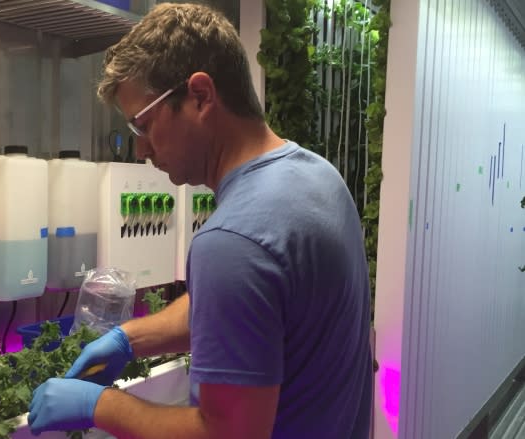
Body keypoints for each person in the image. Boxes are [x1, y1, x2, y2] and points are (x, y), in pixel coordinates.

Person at [28, 3, 373, 438]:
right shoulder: (318, 177)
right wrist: (129, 340)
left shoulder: (232, 242)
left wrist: (102, 406)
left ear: (201, 96)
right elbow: (245, 302)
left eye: (144, 125)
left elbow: (226, 434)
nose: (141, 150)